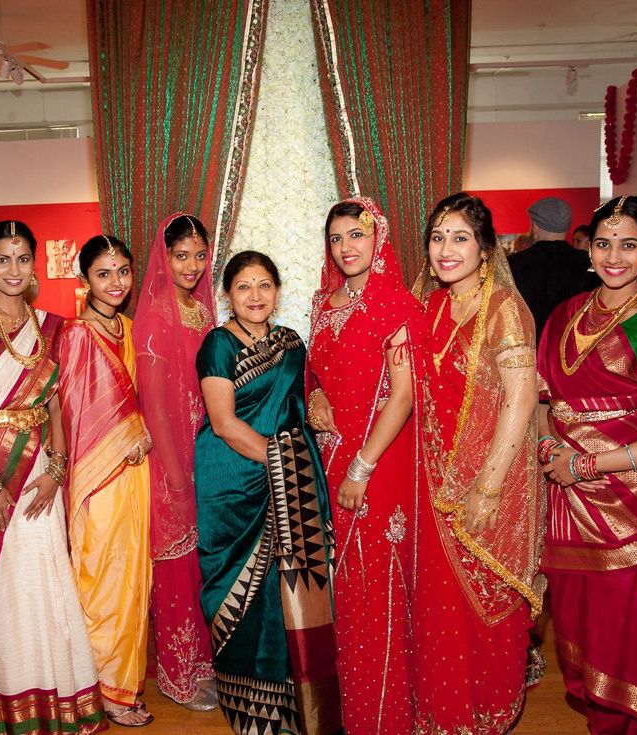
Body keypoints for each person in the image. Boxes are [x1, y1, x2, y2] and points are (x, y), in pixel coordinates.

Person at [538, 196, 637, 734]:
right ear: (588, 246)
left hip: (631, 500)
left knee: (629, 623)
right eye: (604, 243)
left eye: (629, 244)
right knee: (580, 618)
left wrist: (587, 464)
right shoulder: (564, 314)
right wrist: (551, 451)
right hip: (565, 494)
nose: (614, 256)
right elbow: (544, 403)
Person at [0, 221, 105, 734]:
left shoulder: (50, 325)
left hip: (37, 470)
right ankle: (3, 701)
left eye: (21, 259)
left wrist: (57, 470)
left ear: (34, 264)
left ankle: (56, 699)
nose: (13, 270)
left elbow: (56, 405)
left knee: (44, 575)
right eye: (1, 259)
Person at [412, 193, 545, 734]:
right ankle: (443, 711)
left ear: (486, 248)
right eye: (438, 237)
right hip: (431, 477)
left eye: (460, 238)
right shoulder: (430, 303)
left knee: (484, 602)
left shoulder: (505, 310)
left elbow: (521, 398)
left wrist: (486, 488)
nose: (446, 250)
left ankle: (485, 713)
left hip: (491, 477)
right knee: (440, 604)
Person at [196, 251, 342, 735]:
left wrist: (318, 395)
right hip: (234, 479)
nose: (255, 296)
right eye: (243, 287)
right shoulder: (217, 344)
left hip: (287, 477)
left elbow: (304, 396)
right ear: (227, 295)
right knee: (233, 589)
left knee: (290, 590)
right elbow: (223, 422)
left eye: (264, 285)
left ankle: (297, 700)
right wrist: (285, 464)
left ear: (278, 292)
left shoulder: (291, 342)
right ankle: (250, 707)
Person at [306, 197, 424, 733]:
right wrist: (313, 398)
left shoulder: (395, 303)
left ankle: (384, 716)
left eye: (357, 234)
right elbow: (317, 374)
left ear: (378, 238)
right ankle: (352, 710)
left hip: (377, 459)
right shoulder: (321, 302)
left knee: (378, 586)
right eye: (336, 238)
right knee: (347, 588)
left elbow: (402, 396)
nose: (347, 247)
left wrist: (361, 468)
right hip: (331, 456)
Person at [59, 235, 154, 728]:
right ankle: (97, 688)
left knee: (134, 578)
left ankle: (124, 683)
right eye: (103, 273)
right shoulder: (79, 334)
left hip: (135, 475)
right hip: (100, 476)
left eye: (123, 271)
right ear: (84, 279)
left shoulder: (129, 328)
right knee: (101, 577)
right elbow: (77, 413)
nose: (116, 282)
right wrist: (130, 437)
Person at [132, 213, 218, 710]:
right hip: (171, 464)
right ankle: (178, 675)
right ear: (164, 258)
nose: (191, 265)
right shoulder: (157, 315)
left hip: (203, 452)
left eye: (199, 255)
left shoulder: (200, 311)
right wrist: (177, 477)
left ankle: (204, 663)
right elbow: (156, 406)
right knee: (175, 570)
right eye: (180, 255)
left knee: (201, 569)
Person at [508, 196, 600, 340]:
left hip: (528, 350)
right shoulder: (589, 264)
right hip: (574, 351)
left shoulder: (513, 264)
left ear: (535, 227)